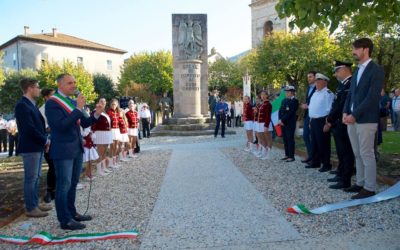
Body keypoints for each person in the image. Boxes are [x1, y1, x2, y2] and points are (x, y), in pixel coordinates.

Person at [46, 73, 104, 230]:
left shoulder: (71, 102)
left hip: (77, 148)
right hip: (63, 149)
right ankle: (64, 220)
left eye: (75, 82)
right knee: (63, 185)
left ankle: (72, 213)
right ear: (60, 85)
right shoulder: (52, 103)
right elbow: (61, 126)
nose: (74, 85)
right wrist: (78, 108)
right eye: (70, 83)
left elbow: (85, 122)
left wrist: (97, 113)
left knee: (72, 184)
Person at [343, 38, 385, 199]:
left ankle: (369, 187)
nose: (353, 52)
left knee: (367, 153)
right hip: (351, 119)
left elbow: (372, 97)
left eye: (355, 49)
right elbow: (351, 94)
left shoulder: (376, 70)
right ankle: (360, 183)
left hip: (366, 119)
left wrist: (355, 114)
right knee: (357, 152)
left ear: (365, 49)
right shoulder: (358, 70)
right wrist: (346, 112)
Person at [15, 78, 52, 218]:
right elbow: (28, 128)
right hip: (30, 147)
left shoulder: (32, 104)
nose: (39, 89)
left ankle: (35, 203)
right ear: (30, 88)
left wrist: (45, 140)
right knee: (31, 178)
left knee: (36, 177)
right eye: (37, 86)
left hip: (37, 145)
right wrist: (44, 140)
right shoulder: (22, 105)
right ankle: (31, 207)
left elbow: (38, 126)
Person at [325, 61, 355, 189]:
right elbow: (335, 104)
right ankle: (341, 173)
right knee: (341, 151)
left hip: (344, 122)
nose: (335, 74)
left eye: (337, 70)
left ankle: (345, 179)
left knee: (346, 151)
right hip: (338, 123)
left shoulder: (351, 83)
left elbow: (342, 105)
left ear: (344, 69)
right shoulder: (342, 85)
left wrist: (330, 119)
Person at [306, 73, 334, 172]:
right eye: (316, 81)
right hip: (313, 120)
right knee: (314, 143)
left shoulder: (328, 93)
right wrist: (310, 120)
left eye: (318, 81)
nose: (316, 83)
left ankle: (326, 164)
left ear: (324, 82)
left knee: (323, 144)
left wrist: (328, 123)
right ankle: (315, 162)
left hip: (322, 120)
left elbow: (330, 109)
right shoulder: (315, 93)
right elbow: (312, 108)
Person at [39, 88, 57, 203]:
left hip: (59, 140)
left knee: (58, 166)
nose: (54, 97)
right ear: (46, 97)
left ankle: (57, 189)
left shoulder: (57, 107)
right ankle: (50, 191)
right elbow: (44, 127)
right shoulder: (41, 110)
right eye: (52, 95)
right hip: (49, 141)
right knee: (52, 165)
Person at [91, 97, 113, 176]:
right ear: (98, 102)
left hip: (107, 133)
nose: (103, 103)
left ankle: (104, 168)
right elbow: (93, 122)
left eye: (104, 102)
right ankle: (99, 170)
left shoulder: (105, 112)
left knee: (104, 152)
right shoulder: (95, 111)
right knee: (100, 153)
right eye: (101, 101)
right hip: (99, 133)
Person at [278, 85, 299, 162]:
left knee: (290, 139)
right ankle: (287, 155)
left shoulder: (295, 101)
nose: (286, 93)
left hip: (290, 123)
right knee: (285, 139)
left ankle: (291, 156)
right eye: (286, 92)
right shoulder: (284, 100)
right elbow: (280, 111)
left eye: (288, 92)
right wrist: (280, 120)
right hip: (283, 123)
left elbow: (290, 113)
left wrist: (282, 120)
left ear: (292, 92)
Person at [301, 71, 317, 163]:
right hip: (308, 115)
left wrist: (308, 106)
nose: (309, 79)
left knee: (313, 137)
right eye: (308, 77)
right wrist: (305, 105)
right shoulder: (309, 88)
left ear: (315, 77)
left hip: (315, 116)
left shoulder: (318, 88)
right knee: (306, 135)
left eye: (310, 77)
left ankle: (314, 158)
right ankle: (310, 156)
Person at [253, 91, 272, 160]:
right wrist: (256, 112)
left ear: (267, 95)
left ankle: (268, 154)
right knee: (262, 138)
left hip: (265, 123)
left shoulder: (268, 104)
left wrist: (266, 125)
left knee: (268, 139)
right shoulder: (262, 104)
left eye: (264, 94)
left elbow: (268, 116)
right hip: (260, 123)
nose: (263, 96)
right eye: (261, 95)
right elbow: (258, 114)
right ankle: (263, 152)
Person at [107, 99, 122, 168]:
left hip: (117, 130)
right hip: (112, 130)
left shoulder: (118, 112)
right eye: (112, 104)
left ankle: (114, 161)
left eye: (115, 104)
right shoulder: (109, 112)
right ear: (110, 105)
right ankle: (110, 163)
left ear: (117, 105)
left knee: (116, 146)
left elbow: (120, 121)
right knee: (112, 147)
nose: (114, 106)